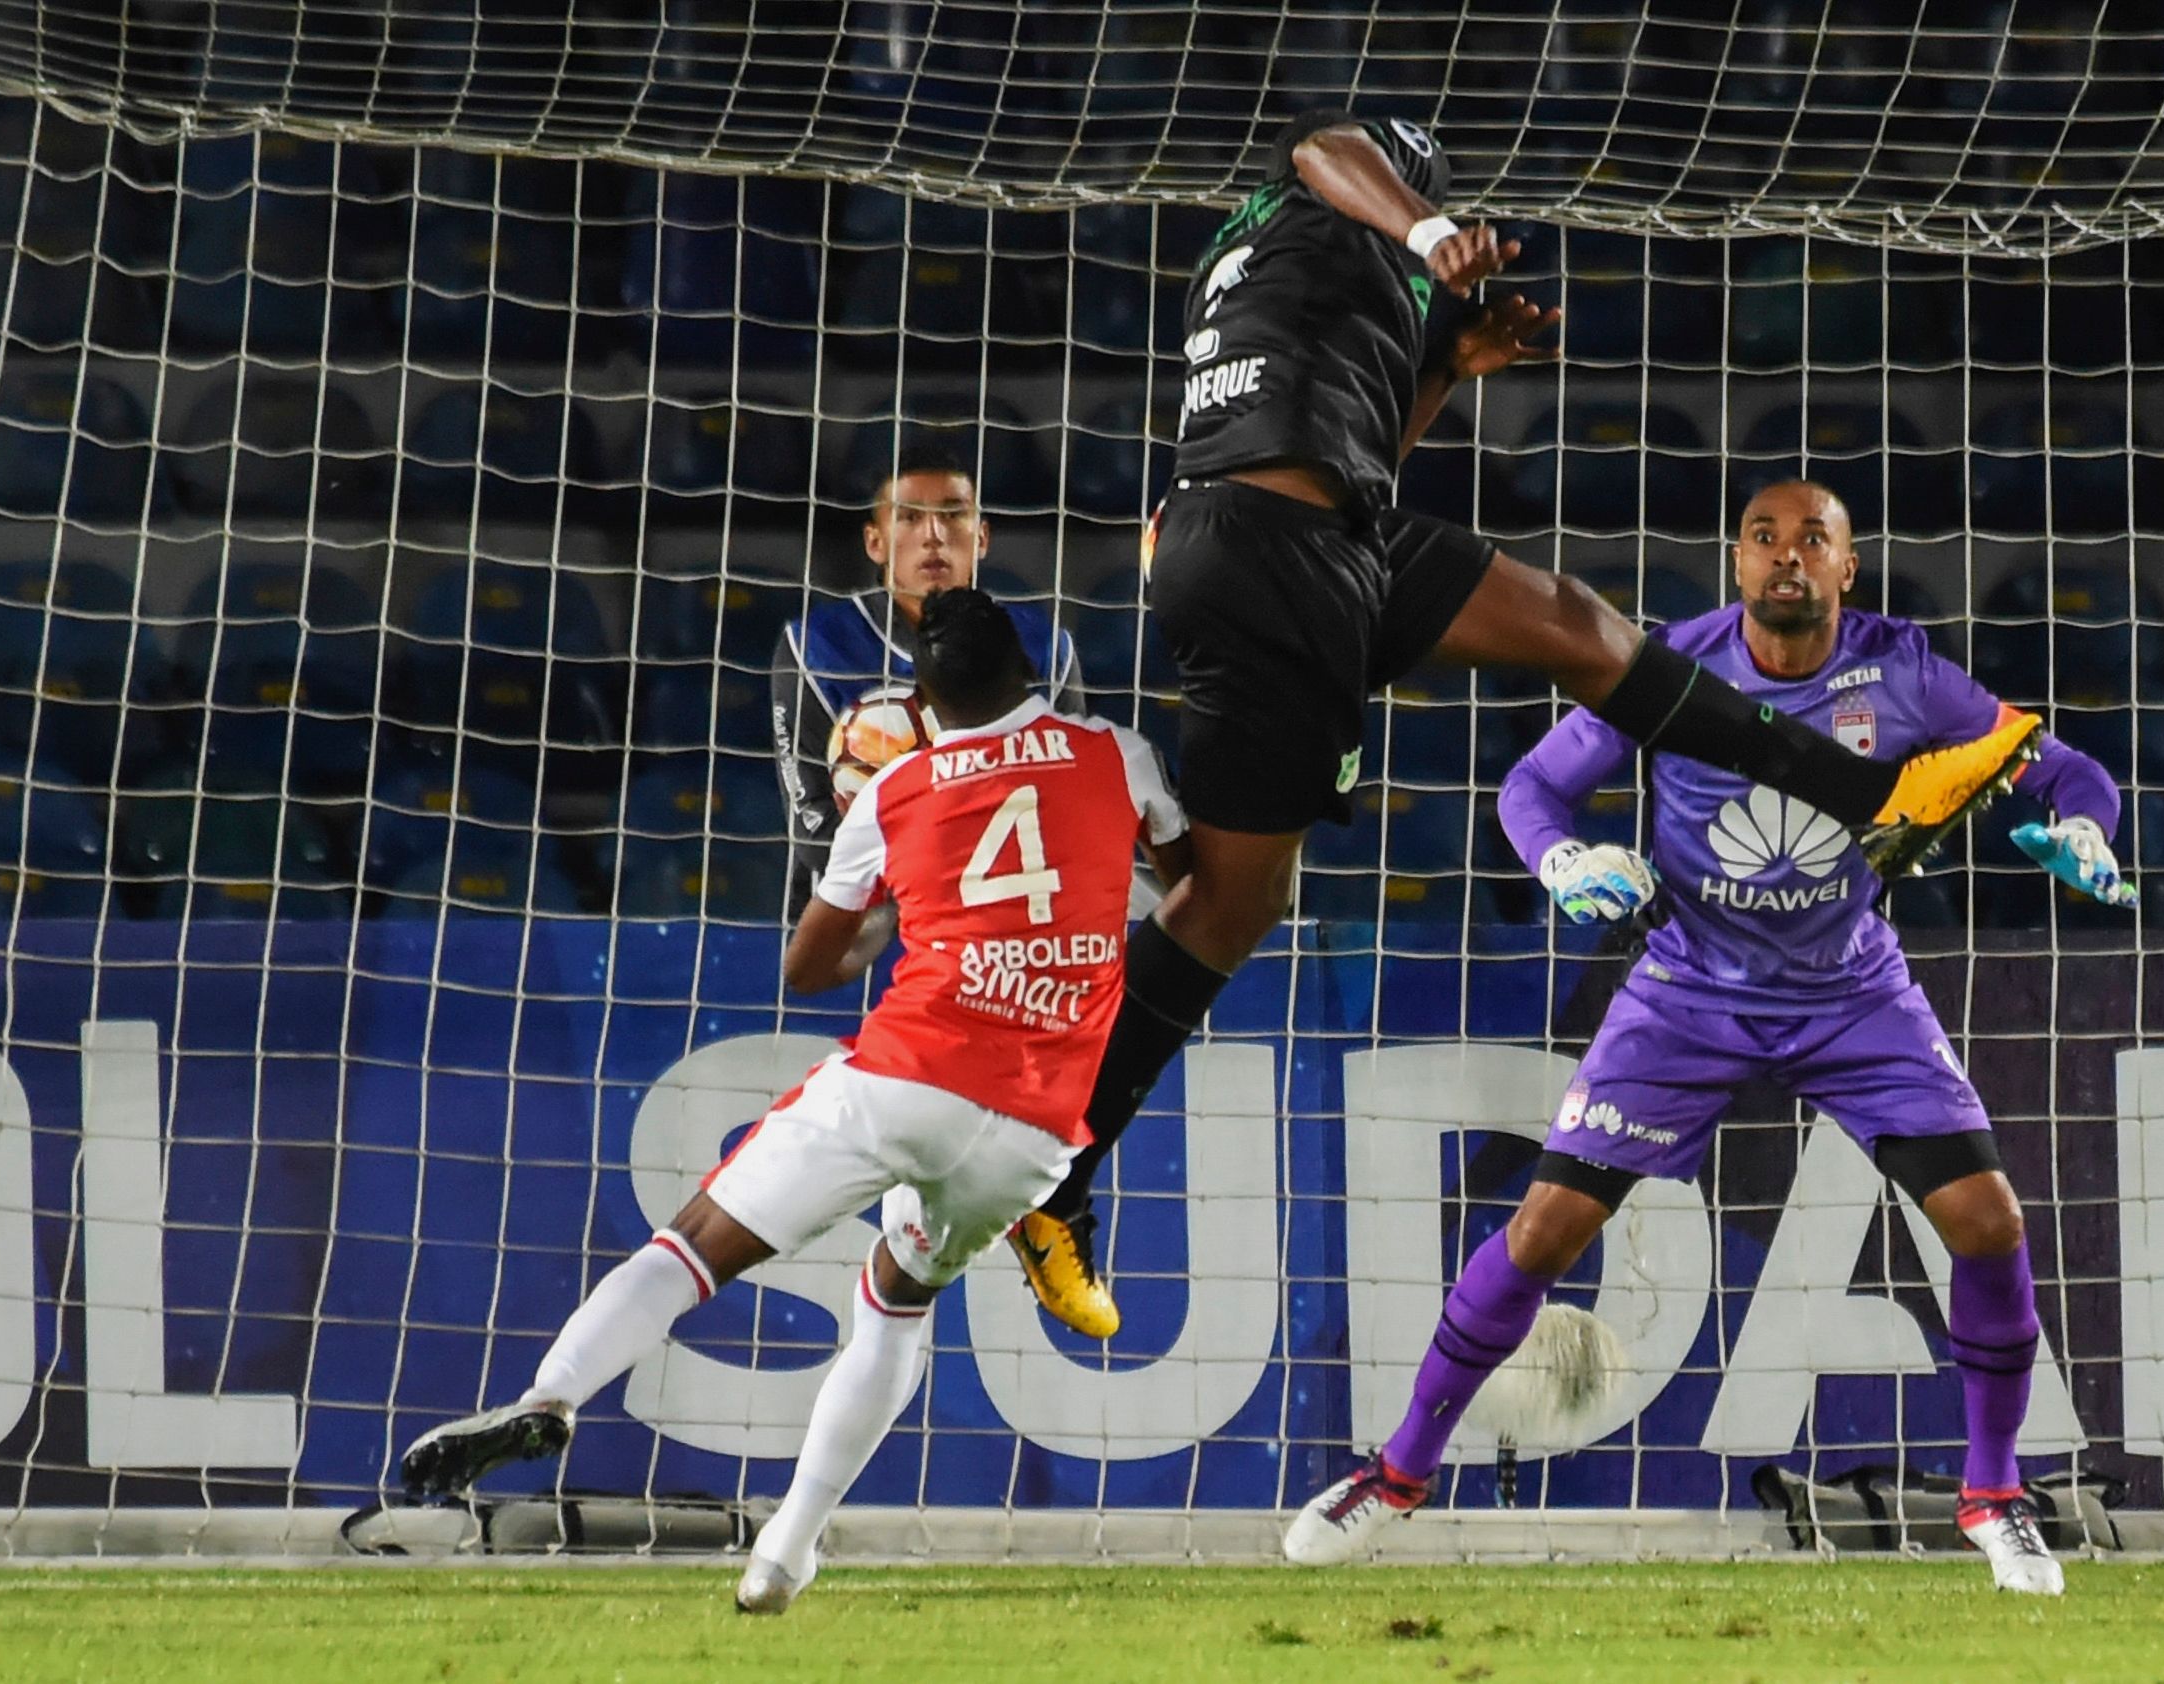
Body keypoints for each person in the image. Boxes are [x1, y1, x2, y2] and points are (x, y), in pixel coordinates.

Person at [1005, 110, 2045, 1338]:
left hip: (1312, 540)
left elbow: (1355, 451)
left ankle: (1872, 794)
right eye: (1409, 186)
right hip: (1270, 553)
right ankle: (1051, 1165)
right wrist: (1430, 226)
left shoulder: (1294, 286)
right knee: (1234, 898)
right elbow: (1319, 141)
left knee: (1570, 631)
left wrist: (1451, 365)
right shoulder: (1317, 207)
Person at [1280, 482, 2130, 1594]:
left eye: (1811, 540)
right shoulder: (1667, 665)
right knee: (1542, 1231)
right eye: (1766, 539)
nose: (1788, 558)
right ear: (1737, 564)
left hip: (1850, 992)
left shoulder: (1908, 670)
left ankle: (1994, 1493)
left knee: (1987, 1220)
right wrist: (1565, 860)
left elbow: (2061, 767)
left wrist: (2082, 827)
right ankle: (1395, 1473)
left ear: (1847, 568)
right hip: (1688, 989)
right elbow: (1536, 786)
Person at [400, 589, 1189, 1613]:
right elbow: (1185, 881)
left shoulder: (896, 789)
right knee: (897, 1305)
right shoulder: (1115, 751)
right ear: (1027, 671)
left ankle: (553, 1394)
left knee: (687, 1249)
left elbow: (811, 967)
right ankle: (785, 1551)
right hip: (1035, 1135)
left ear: (921, 697)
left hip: (905, 1081)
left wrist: (900, 874)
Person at [772, 443, 1083, 912]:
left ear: (981, 537)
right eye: (909, 518)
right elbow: (812, 825)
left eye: (952, 515)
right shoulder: (814, 648)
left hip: (1004, 916)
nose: (933, 536)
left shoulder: (1045, 647)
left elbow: (1068, 802)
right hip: (859, 922)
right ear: (874, 542)